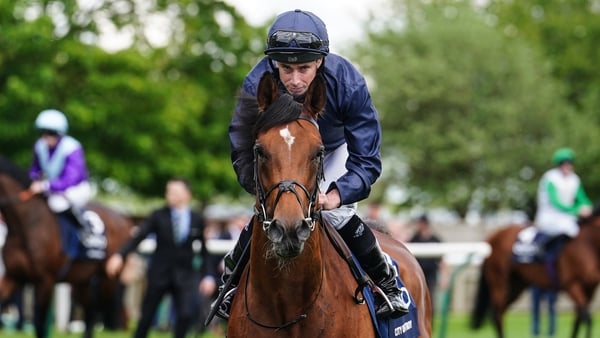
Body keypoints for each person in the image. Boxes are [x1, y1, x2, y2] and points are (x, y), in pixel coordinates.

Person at [215, 9, 409, 320]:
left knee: (337, 214)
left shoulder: (348, 82)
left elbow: (367, 159)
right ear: (274, 63)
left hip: (332, 149)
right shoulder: (256, 84)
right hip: (280, 155)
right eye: (286, 69)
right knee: (271, 211)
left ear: (320, 61)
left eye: (304, 68)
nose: (294, 80)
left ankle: (387, 281)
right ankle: (231, 284)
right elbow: (240, 145)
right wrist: (265, 190)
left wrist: (336, 195)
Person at [105, 178, 213, 338]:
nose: (170, 195)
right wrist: (120, 255)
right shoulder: (158, 215)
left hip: (185, 276)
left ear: (187, 194)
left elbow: (204, 251)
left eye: (175, 192)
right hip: (159, 274)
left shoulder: (196, 218)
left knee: (185, 314)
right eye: (168, 191)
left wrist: (207, 275)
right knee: (147, 316)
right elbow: (138, 237)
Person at [28, 109, 94, 259]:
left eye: (50, 133)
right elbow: (35, 169)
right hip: (52, 187)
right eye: (43, 132)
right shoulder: (40, 146)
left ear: (59, 133)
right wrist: (34, 179)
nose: (46, 136)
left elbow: (71, 179)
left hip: (75, 188)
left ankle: (82, 230)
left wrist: (45, 186)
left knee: (58, 204)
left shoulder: (72, 147)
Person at [533, 147, 592, 283]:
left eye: (569, 162)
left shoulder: (574, 179)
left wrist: (588, 207)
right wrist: (577, 210)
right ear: (559, 165)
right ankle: (545, 254)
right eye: (564, 163)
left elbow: (582, 197)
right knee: (568, 230)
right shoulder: (550, 178)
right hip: (550, 217)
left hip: (568, 217)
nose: (567, 165)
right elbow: (556, 202)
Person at [409, 214, 445, 320]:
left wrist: (444, 277)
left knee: (430, 300)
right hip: (418, 274)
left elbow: (442, 260)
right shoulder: (414, 239)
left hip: (431, 275)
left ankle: (429, 323)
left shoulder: (435, 239)